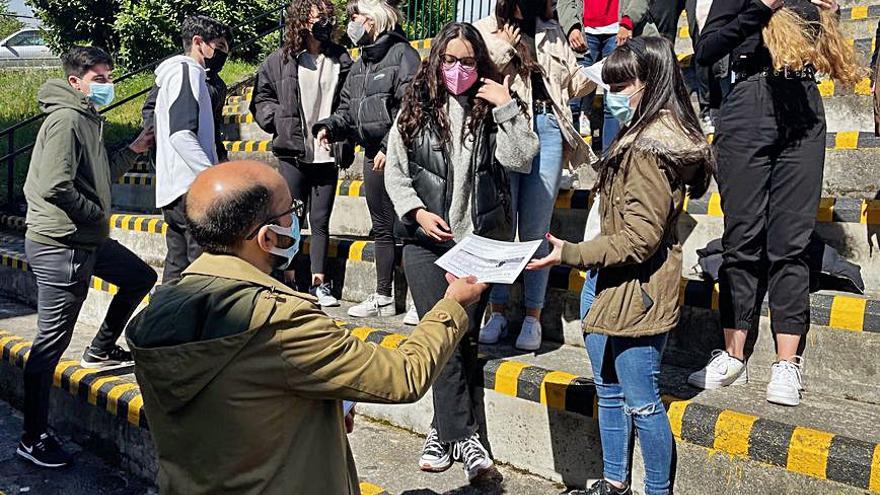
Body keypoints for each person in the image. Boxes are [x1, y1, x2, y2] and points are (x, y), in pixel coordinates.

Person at [125, 160, 488, 495]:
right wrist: (452, 303)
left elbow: (237, 400)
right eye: (291, 213)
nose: (298, 222)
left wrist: (325, 408)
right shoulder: (278, 321)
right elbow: (403, 376)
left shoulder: (156, 313)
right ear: (267, 237)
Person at [529, 36, 714, 495]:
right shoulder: (638, 133)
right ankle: (614, 481)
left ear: (651, 82)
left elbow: (638, 239)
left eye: (621, 83)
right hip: (609, 280)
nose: (612, 92)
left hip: (638, 289)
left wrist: (570, 253)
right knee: (608, 390)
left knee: (642, 402)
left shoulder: (651, 148)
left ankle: (655, 490)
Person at [385, 22, 539, 482]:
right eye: (449, 60)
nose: (457, 69)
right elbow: (395, 172)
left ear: (480, 64)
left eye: (467, 61)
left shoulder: (494, 105)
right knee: (443, 337)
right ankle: (466, 437)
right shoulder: (415, 108)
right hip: (426, 243)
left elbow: (523, 159)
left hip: (478, 245)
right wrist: (415, 212)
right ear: (436, 61)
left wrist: (507, 108)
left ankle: (442, 430)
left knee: (464, 341)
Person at [688, 0, 860, 406]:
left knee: (792, 240)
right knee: (742, 234)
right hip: (748, 100)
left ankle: (786, 363)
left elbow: (822, 52)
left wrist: (824, 19)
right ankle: (733, 354)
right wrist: (762, 7)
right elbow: (707, 49)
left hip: (802, 102)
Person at [18, 46, 156, 468]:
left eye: (109, 76)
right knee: (49, 346)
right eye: (99, 79)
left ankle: (98, 349)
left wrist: (134, 148)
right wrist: (96, 213)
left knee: (139, 277)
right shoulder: (65, 120)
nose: (107, 86)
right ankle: (33, 437)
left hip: (87, 240)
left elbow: (96, 175)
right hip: (62, 244)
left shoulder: (87, 118)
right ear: (76, 82)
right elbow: (55, 184)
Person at [474, 0, 597, 351]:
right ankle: (496, 311)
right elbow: (481, 73)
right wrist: (509, 47)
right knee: (503, 226)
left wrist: (593, 68)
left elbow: (572, 84)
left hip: (548, 127)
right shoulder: (487, 29)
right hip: (509, 126)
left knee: (536, 228)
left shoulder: (552, 30)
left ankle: (533, 315)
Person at [314, 0, 420, 318]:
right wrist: (330, 128)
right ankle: (384, 296)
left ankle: (419, 299)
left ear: (373, 18)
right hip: (372, 153)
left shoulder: (403, 55)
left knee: (411, 226)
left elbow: (412, 106)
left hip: (400, 152)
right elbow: (348, 108)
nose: (351, 22)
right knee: (381, 227)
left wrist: (391, 146)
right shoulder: (361, 63)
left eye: (354, 15)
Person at [251, 0, 354, 307]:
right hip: (292, 151)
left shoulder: (340, 58)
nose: (325, 22)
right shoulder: (279, 60)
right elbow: (260, 100)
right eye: (318, 17)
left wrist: (338, 131)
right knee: (289, 219)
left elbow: (349, 102)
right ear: (301, 20)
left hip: (327, 150)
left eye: (327, 17)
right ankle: (291, 279)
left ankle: (320, 283)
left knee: (320, 220)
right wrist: (277, 122)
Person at [153, 15, 232, 283]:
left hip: (175, 191)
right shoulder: (186, 72)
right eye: (218, 46)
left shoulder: (176, 75)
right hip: (190, 191)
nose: (221, 54)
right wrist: (212, 176)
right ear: (198, 43)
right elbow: (181, 134)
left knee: (176, 269)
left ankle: (162, 323)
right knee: (200, 273)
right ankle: (191, 324)